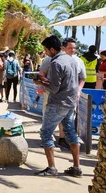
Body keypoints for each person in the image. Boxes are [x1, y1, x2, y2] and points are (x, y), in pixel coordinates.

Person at [34, 35, 82, 177]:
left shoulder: (55, 63)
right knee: (71, 133)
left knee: (46, 133)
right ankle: (76, 167)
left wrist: (40, 82)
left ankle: (52, 168)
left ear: (53, 49)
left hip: (57, 103)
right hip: (70, 102)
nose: (45, 53)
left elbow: (54, 88)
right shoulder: (71, 60)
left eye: (46, 50)